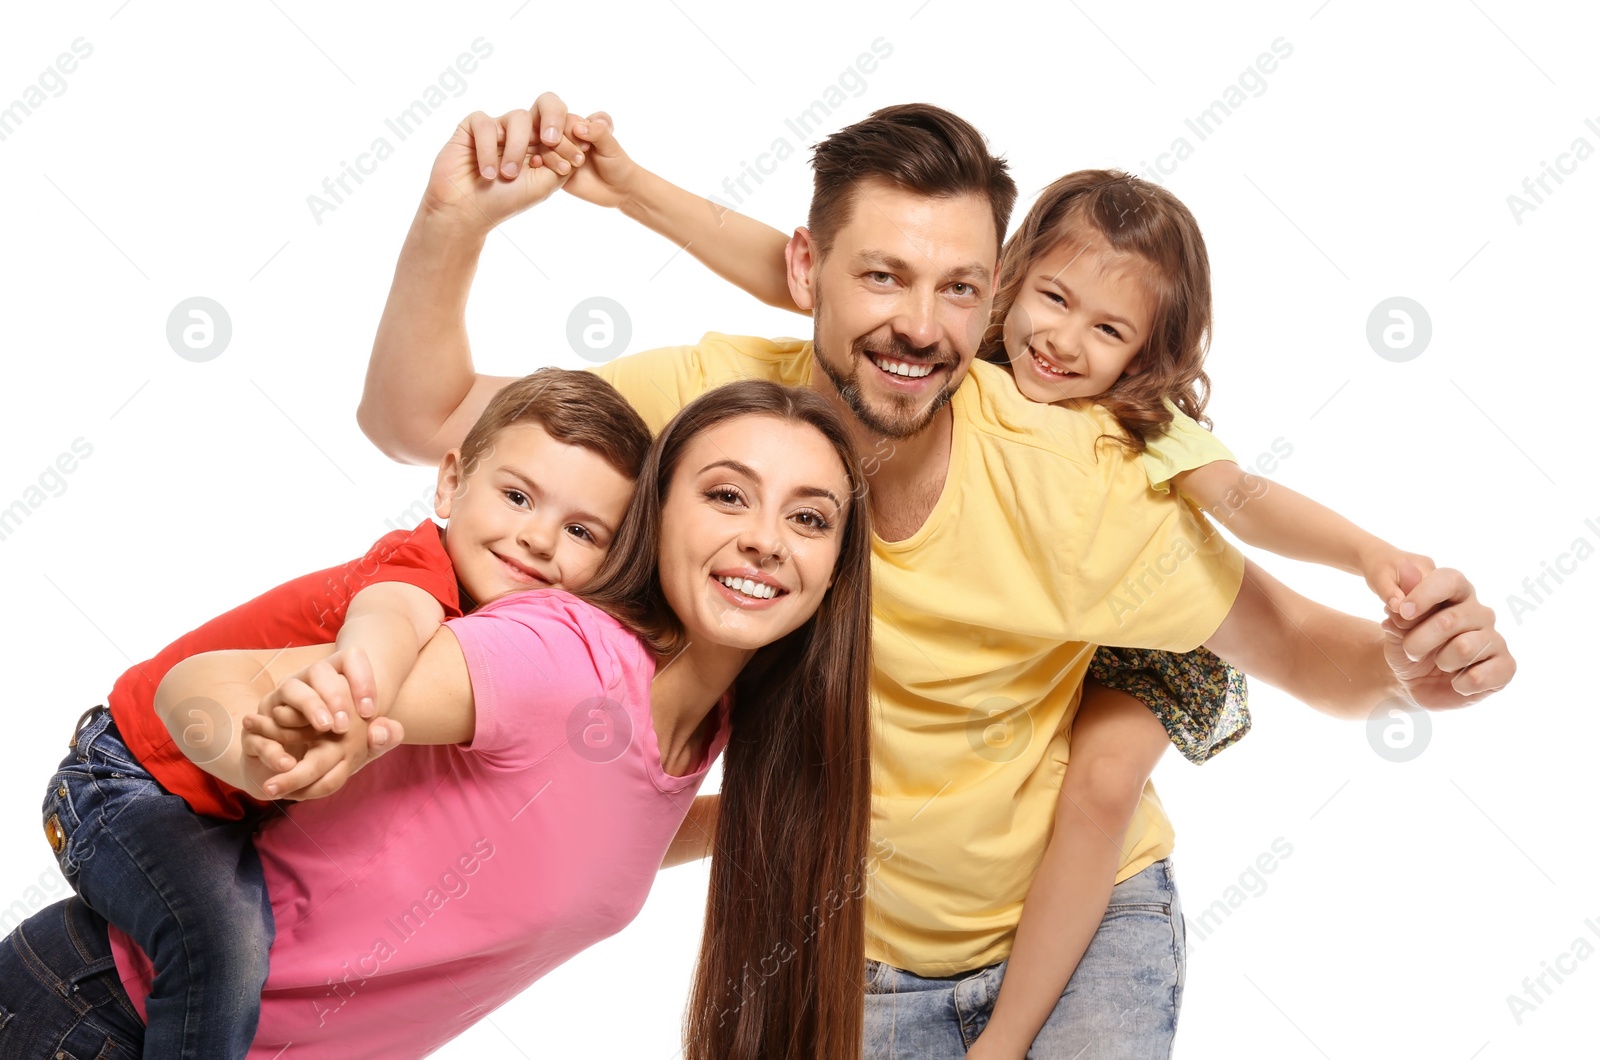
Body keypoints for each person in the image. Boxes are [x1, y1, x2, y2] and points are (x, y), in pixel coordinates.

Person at [356, 94, 1516, 1058]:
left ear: (990, 295)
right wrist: (450, 224)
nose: (920, 326)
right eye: (883, 279)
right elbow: (422, 421)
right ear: (806, 268)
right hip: (841, 950)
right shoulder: (712, 415)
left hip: (1082, 935)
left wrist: (1418, 667)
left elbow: (1314, 655)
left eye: (958, 287)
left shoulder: (1078, 481)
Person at [0, 379, 876, 1060]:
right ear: (657, 520)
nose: (767, 538)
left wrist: (808, 812)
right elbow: (209, 683)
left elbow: (593, 816)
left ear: (837, 564)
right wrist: (285, 739)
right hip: (99, 1018)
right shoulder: (556, 655)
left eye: (807, 517)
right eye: (728, 496)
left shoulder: (710, 721)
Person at [33, 368, 646, 1060]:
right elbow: (387, 621)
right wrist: (360, 689)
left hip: (216, 812)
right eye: (517, 497)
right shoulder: (417, 571)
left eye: (583, 532)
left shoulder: (518, 651)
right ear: (450, 483)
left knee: (245, 931)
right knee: (220, 941)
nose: (538, 539)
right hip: (124, 778)